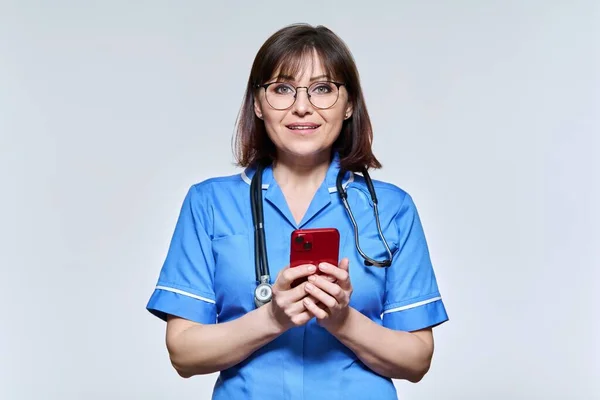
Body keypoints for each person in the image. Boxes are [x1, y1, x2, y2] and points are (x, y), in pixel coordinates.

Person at [146, 23, 449, 400]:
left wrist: (342, 320)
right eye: (282, 89)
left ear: (349, 103)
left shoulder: (391, 209)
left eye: (323, 89)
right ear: (257, 104)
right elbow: (183, 353)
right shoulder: (209, 204)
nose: (301, 106)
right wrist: (272, 318)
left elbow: (417, 360)